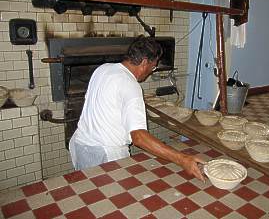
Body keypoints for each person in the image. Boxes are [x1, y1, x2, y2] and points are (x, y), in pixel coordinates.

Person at [69, 36, 205, 181]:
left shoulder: (103, 69)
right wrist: (183, 159)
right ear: (144, 62)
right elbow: (139, 137)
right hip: (104, 156)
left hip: (80, 145)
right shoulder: (130, 85)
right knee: (111, 199)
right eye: (153, 67)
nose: (151, 71)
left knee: (89, 194)